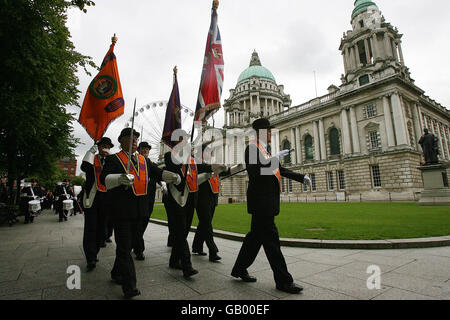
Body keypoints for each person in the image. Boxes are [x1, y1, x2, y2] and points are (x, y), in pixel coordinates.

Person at [231, 118, 311, 294]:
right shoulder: (252, 148)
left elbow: (279, 170)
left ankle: (239, 269)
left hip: (266, 202)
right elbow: (256, 172)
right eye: (268, 131)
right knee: (272, 243)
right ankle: (283, 281)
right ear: (260, 132)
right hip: (261, 203)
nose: (270, 134)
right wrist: (273, 159)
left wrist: (300, 177)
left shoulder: (265, 150)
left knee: (254, 239)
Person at [99, 128, 180, 299]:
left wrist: (172, 176)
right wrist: (119, 178)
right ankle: (130, 287)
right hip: (121, 211)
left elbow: (158, 173)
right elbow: (103, 179)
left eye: (136, 138)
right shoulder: (114, 159)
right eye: (130, 138)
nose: (135, 141)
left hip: (141, 211)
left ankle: (116, 272)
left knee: (126, 247)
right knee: (124, 247)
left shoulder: (144, 160)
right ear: (121, 141)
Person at [162, 132, 217, 278]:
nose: (185, 142)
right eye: (182, 140)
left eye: (186, 140)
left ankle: (174, 260)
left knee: (184, 231)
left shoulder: (192, 160)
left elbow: (204, 168)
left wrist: (215, 167)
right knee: (180, 232)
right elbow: (173, 165)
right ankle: (187, 266)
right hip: (176, 199)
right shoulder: (170, 156)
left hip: (191, 200)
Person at [192, 143, 242, 262]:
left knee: (203, 224)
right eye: (208, 152)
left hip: (212, 198)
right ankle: (213, 251)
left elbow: (225, 172)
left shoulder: (212, 165)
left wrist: (237, 167)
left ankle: (196, 246)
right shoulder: (196, 164)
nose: (210, 154)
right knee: (207, 225)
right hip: (201, 199)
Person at [81, 137, 114, 271]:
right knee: (91, 228)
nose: (105, 148)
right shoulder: (92, 159)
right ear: (99, 147)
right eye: (103, 146)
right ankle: (91, 258)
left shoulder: (111, 161)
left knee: (102, 230)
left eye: (108, 146)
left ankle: (95, 251)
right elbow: (84, 167)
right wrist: (90, 152)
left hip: (106, 199)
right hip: (93, 197)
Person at [132, 141, 157, 261]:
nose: (145, 150)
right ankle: (139, 249)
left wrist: (163, 183)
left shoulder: (152, 163)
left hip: (149, 197)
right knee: (139, 223)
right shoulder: (135, 161)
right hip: (138, 196)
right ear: (139, 150)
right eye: (143, 148)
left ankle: (135, 242)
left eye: (147, 149)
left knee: (144, 222)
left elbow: (158, 174)